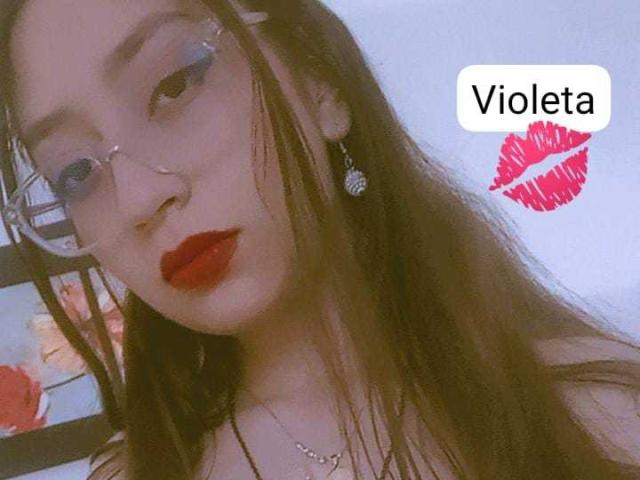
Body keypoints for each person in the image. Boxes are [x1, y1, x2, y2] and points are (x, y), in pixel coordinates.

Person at [1, 0, 639, 479]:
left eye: (175, 84)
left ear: (318, 84)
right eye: (75, 173)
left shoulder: (599, 411)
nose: (138, 199)